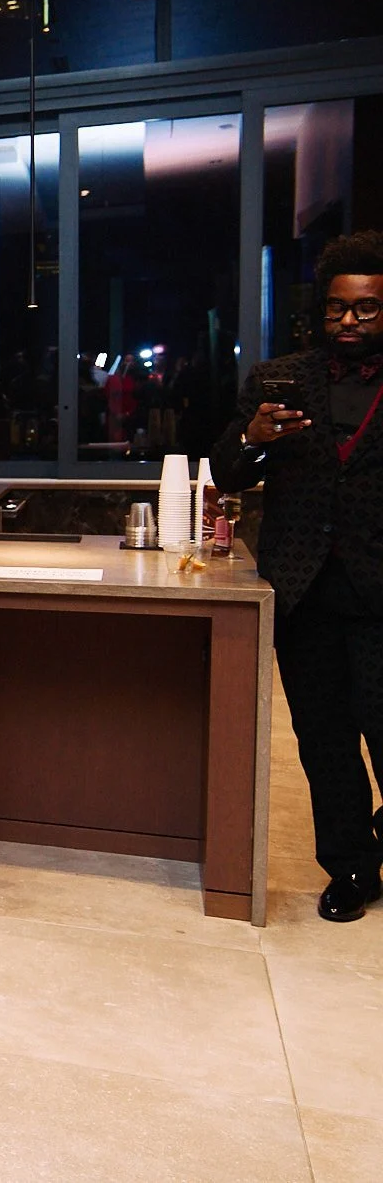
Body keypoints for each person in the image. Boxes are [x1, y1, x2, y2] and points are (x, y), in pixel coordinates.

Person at [213, 231, 383, 921]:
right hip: (304, 591)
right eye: (339, 308)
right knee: (325, 741)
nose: (350, 320)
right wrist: (254, 437)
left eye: (367, 309)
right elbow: (226, 470)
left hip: (380, 593)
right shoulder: (279, 377)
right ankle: (350, 868)